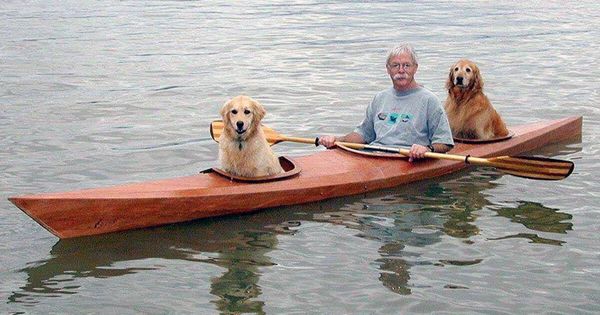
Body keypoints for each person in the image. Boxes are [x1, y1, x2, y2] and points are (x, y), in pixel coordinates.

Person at [319, 43, 454, 162]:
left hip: (408, 159)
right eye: (395, 65)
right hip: (375, 156)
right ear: (388, 69)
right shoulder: (379, 98)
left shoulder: (429, 100)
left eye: (406, 65)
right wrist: (336, 140)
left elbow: (445, 142)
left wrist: (428, 149)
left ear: (415, 68)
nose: (401, 70)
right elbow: (363, 135)